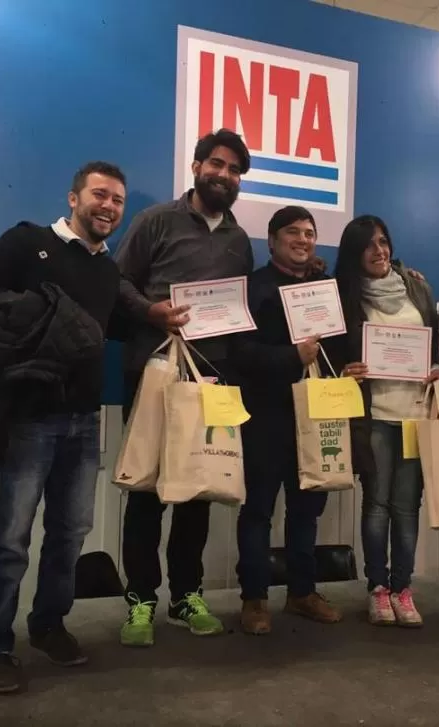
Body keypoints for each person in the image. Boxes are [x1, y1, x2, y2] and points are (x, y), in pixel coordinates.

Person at [0, 161, 130, 693]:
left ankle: (48, 625)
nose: (109, 207)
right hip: (27, 419)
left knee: (71, 533)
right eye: (100, 195)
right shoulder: (27, 244)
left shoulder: (108, 270)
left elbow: (121, 322)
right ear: (73, 198)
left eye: (117, 201)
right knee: (11, 538)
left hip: (85, 421)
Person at [113, 128, 254, 644]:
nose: (225, 175)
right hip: (153, 371)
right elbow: (117, 282)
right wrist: (151, 311)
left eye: (235, 170)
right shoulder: (156, 221)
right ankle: (140, 602)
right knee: (147, 490)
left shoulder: (240, 240)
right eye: (217, 164)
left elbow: (240, 310)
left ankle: (186, 596)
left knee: (198, 488)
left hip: (213, 377)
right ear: (196, 167)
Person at [231, 205, 360, 635]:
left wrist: (346, 371)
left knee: (307, 512)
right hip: (266, 415)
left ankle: (303, 593)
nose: (302, 240)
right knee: (258, 511)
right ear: (271, 240)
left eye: (309, 233)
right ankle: (254, 599)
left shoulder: (327, 289)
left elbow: (337, 350)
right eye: (292, 233)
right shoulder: (254, 288)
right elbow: (239, 354)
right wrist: (292, 356)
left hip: (318, 413)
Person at [333, 215, 439, 628]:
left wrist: (436, 368)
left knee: (407, 507)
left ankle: (403, 588)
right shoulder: (345, 296)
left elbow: (434, 342)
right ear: (355, 253)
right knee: (376, 506)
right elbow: (334, 353)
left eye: (384, 241)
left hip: (415, 415)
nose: (379, 251)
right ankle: (378, 589)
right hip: (374, 415)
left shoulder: (417, 286)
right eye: (369, 245)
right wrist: (347, 370)